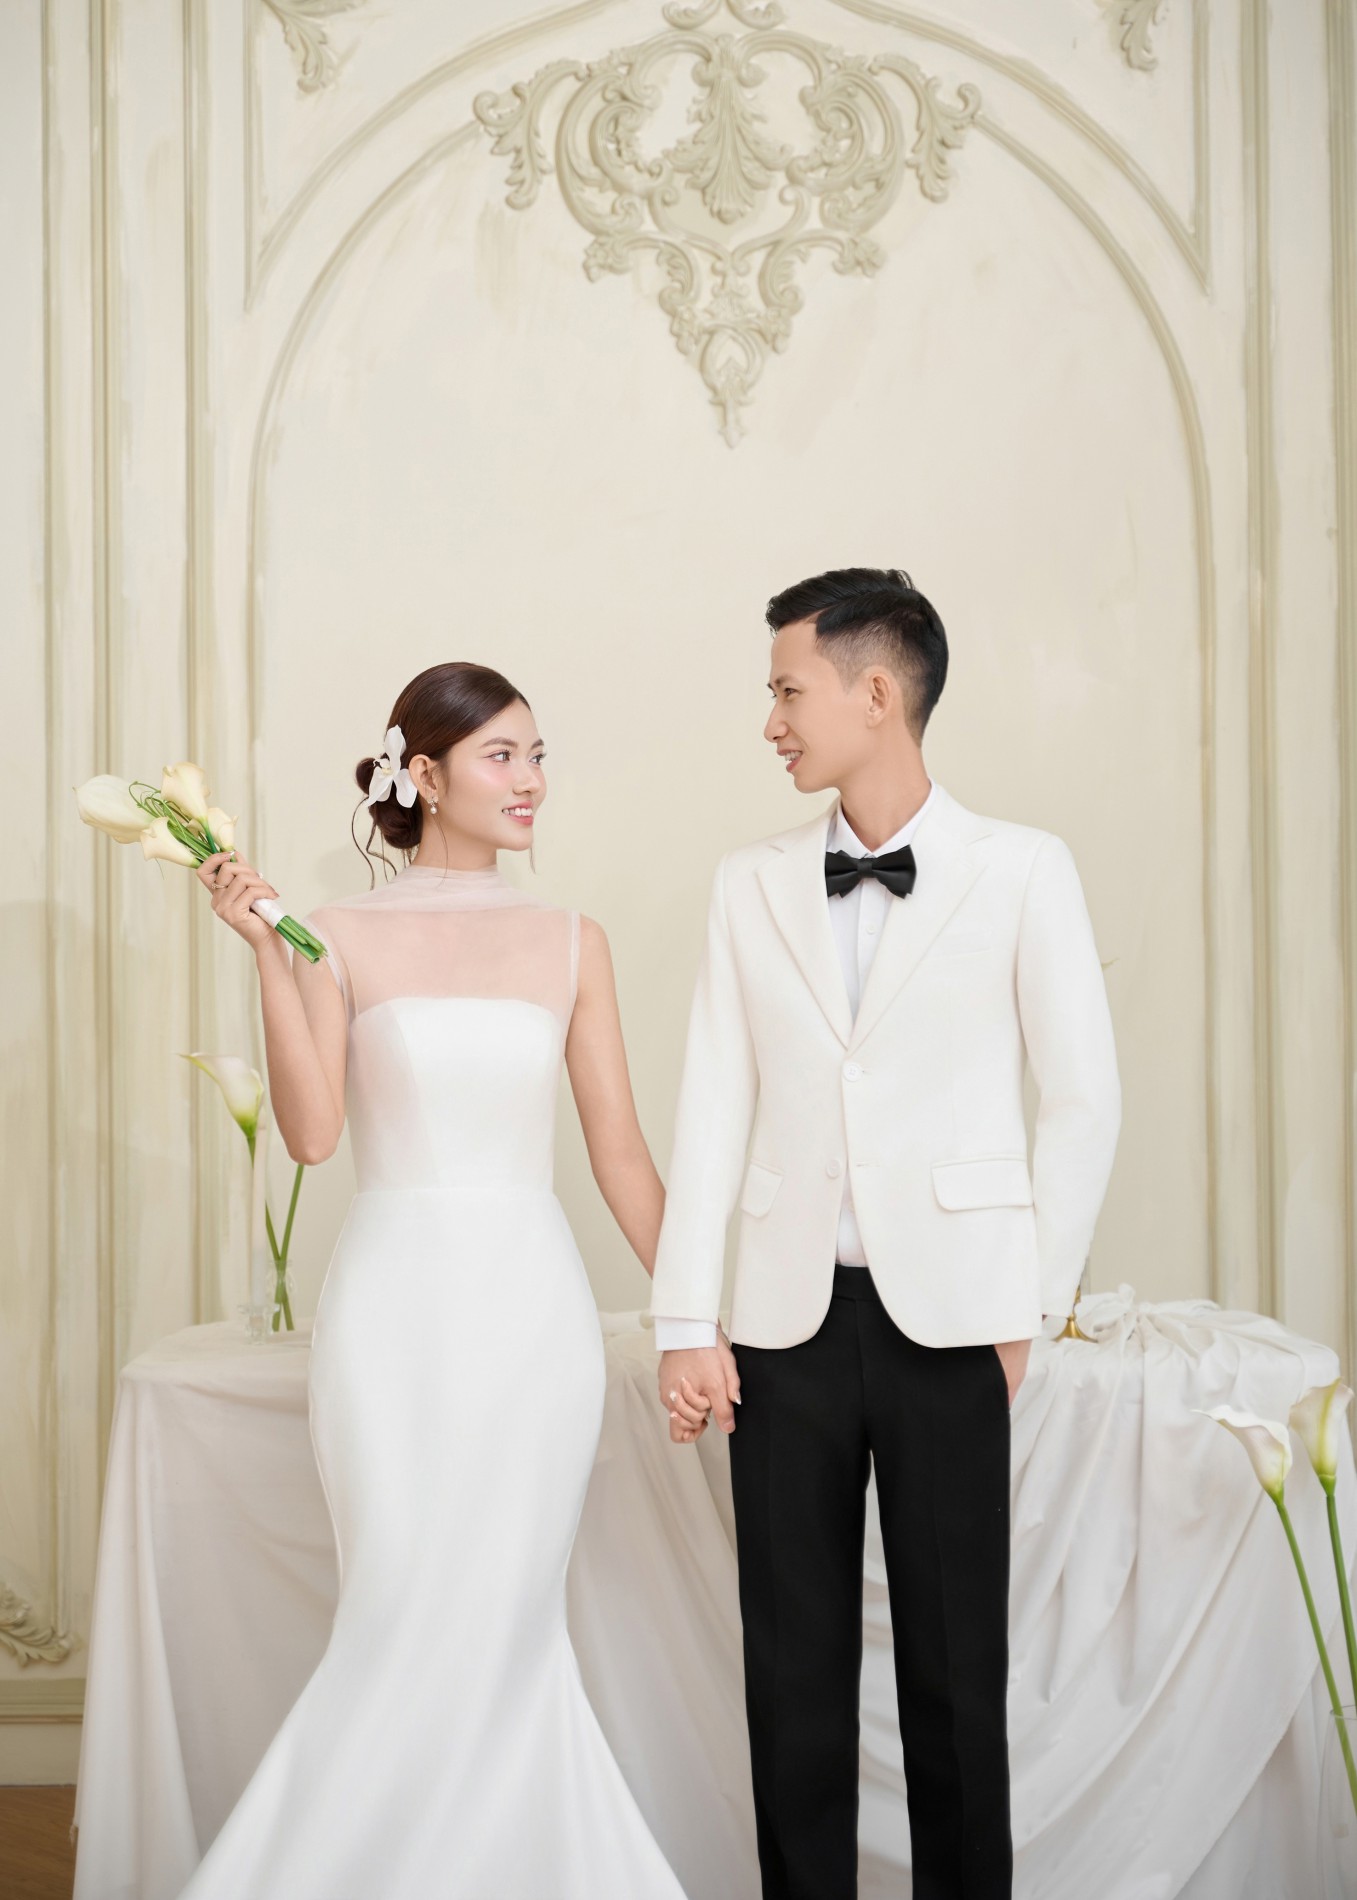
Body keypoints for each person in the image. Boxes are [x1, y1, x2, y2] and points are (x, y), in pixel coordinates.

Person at [177, 660, 696, 1899]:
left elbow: (622, 1156)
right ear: (423, 771)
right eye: (502, 755)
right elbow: (313, 1134)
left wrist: (698, 1313)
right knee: (399, 1609)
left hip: (532, 1320)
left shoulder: (573, 940)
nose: (531, 780)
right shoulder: (331, 932)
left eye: (537, 755)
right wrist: (266, 954)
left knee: (509, 1623)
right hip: (392, 1318)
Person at [649, 568, 1122, 1900]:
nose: (770, 722)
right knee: (789, 1677)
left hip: (959, 1318)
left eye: (785, 691)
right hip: (781, 1324)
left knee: (956, 1681)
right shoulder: (747, 884)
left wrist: (1024, 1310)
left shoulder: (1023, 869)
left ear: (873, 692)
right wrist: (687, 1318)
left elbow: (1082, 1099)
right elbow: (710, 1105)